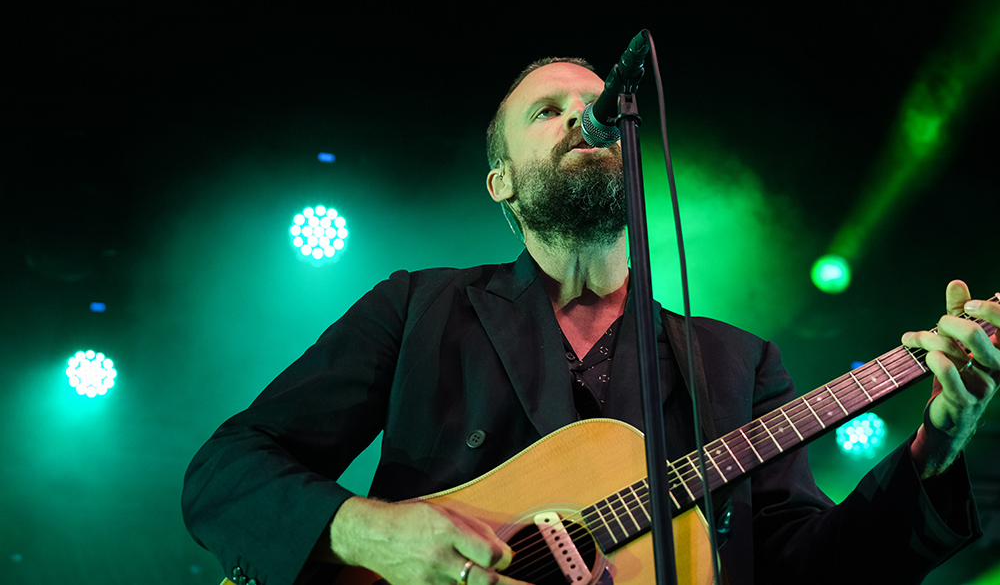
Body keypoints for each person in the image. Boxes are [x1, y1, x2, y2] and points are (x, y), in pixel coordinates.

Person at [182, 58, 998, 585]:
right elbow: (226, 469)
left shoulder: (736, 362)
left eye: (597, 103)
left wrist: (939, 441)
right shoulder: (419, 307)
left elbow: (816, 570)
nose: (586, 115)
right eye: (548, 110)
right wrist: (370, 532)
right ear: (500, 183)